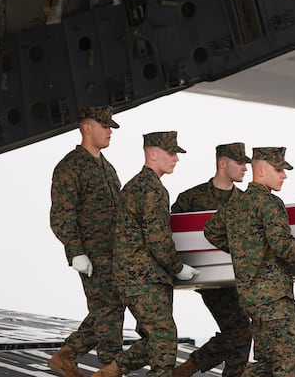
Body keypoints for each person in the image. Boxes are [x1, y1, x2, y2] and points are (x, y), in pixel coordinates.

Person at [204, 147, 295, 377]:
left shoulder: (235, 203)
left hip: (250, 296)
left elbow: (211, 231)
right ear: (261, 170)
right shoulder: (269, 203)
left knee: (265, 363)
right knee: (289, 362)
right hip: (274, 296)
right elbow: (282, 245)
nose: (284, 175)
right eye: (279, 169)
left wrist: (244, 250)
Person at [93, 131, 200, 377]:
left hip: (138, 277)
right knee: (164, 342)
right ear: (152, 153)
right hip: (143, 278)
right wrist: (178, 268)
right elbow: (158, 239)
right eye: (171, 153)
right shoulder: (152, 189)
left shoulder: (137, 185)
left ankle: (107, 373)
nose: (176, 159)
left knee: (155, 339)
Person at [48, 106, 125, 377]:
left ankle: (65, 355)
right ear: (86, 127)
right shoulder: (71, 166)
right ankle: (110, 368)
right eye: (104, 126)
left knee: (111, 307)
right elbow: (61, 214)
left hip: (115, 253)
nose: (109, 131)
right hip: (93, 254)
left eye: (110, 127)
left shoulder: (107, 167)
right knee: (108, 313)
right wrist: (76, 252)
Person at [171, 143, 253, 377]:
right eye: (240, 163)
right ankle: (190, 369)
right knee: (240, 330)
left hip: (241, 279)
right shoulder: (191, 198)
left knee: (239, 332)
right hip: (210, 279)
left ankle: (186, 369)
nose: (245, 168)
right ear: (222, 163)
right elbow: (172, 233)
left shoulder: (246, 200)